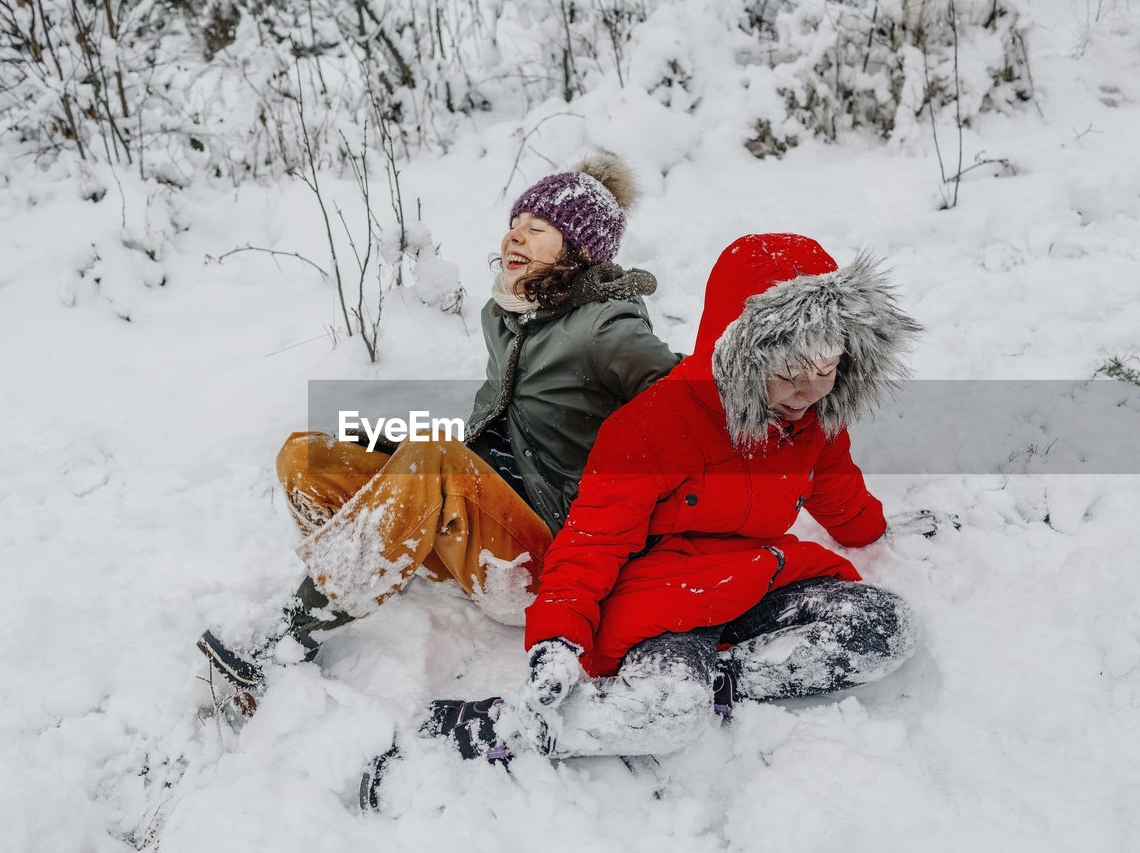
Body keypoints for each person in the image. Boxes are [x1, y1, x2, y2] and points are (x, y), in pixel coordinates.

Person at [392, 232, 949, 770]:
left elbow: (838, 490)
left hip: (758, 578)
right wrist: (557, 641)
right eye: (789, 374)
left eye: (826, 372)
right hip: (664, 604)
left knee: (883, 626)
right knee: (668, 715)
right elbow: (590, 544)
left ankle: (721, 683)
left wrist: (880, 537)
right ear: (739, 354)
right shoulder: (649, 429)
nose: (807, 392)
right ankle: (496, 729)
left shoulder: (811, 423)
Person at [198, 155, 680, 693]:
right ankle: (375, 556)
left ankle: (292, 634)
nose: (514, 237)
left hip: (540, 560)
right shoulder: (507, 314)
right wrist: (393, 454)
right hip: (476, 528)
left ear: (580, 250)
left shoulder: (606, 326)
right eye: (514, 225)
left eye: (536, 229)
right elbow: (498, 429)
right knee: (306, 455)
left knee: (430, 458)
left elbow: (686, 405)